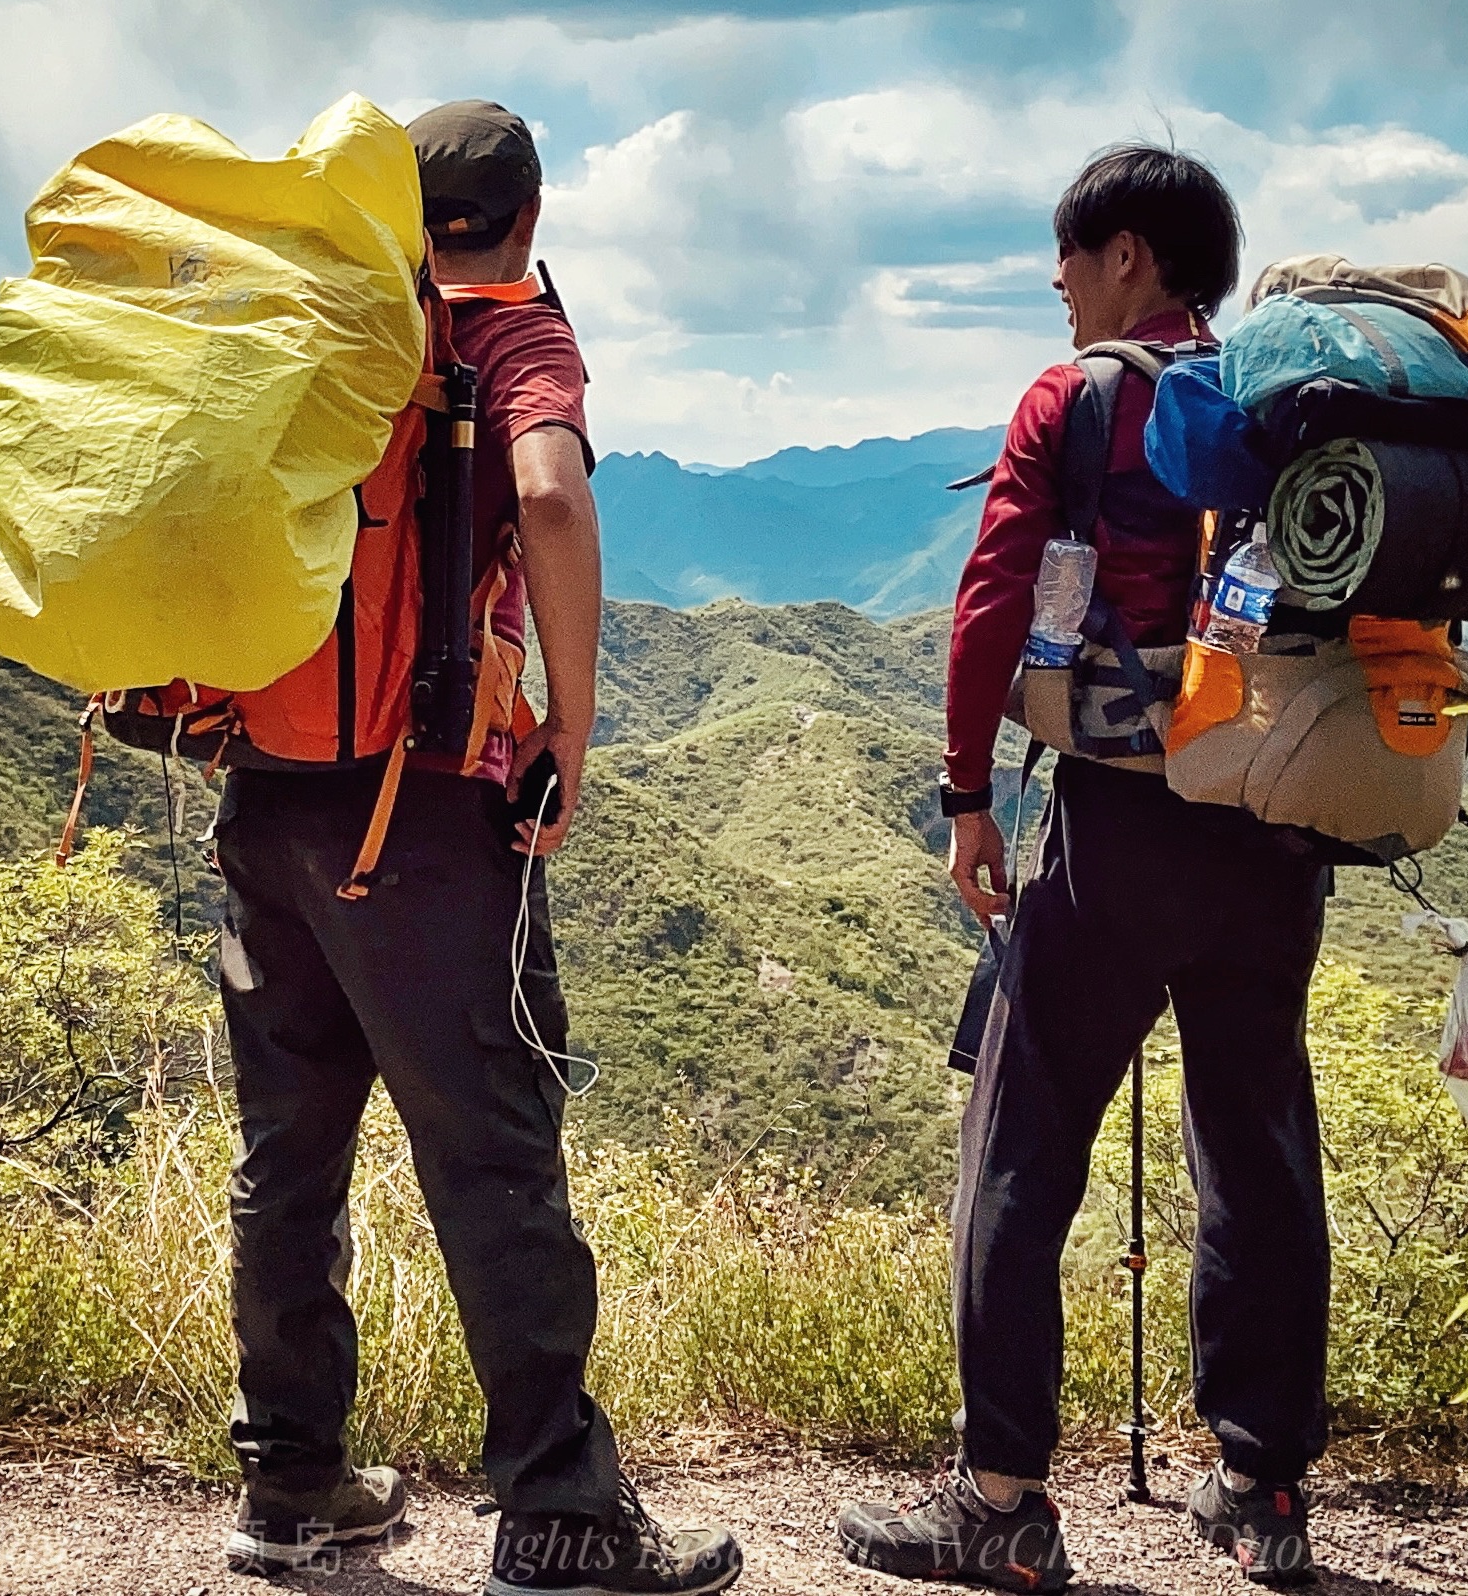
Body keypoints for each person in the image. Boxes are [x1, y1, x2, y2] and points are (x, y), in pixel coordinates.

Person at [215, 102, 742, 1596]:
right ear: (525, 213)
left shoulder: (326, 339)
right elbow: (551, 494)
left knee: (288, 1157)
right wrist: (575, 724)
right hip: (431, 811)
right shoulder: (508, 330)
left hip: (263, 795)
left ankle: (292, 1487)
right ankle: (560, 1512)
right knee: (495, 1150)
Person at [834, 146, 1330, 1591]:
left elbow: (993, 595)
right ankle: (1265, 1492)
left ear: (1126, 255)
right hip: (1281, 827)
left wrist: (963, 797)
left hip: (1122, 823)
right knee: (1257, 1144)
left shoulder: (1083, 396)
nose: (1055, 283)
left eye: (1067, 256)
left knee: (1022, 1147)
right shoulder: (1286, 406)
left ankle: (999, 1500)